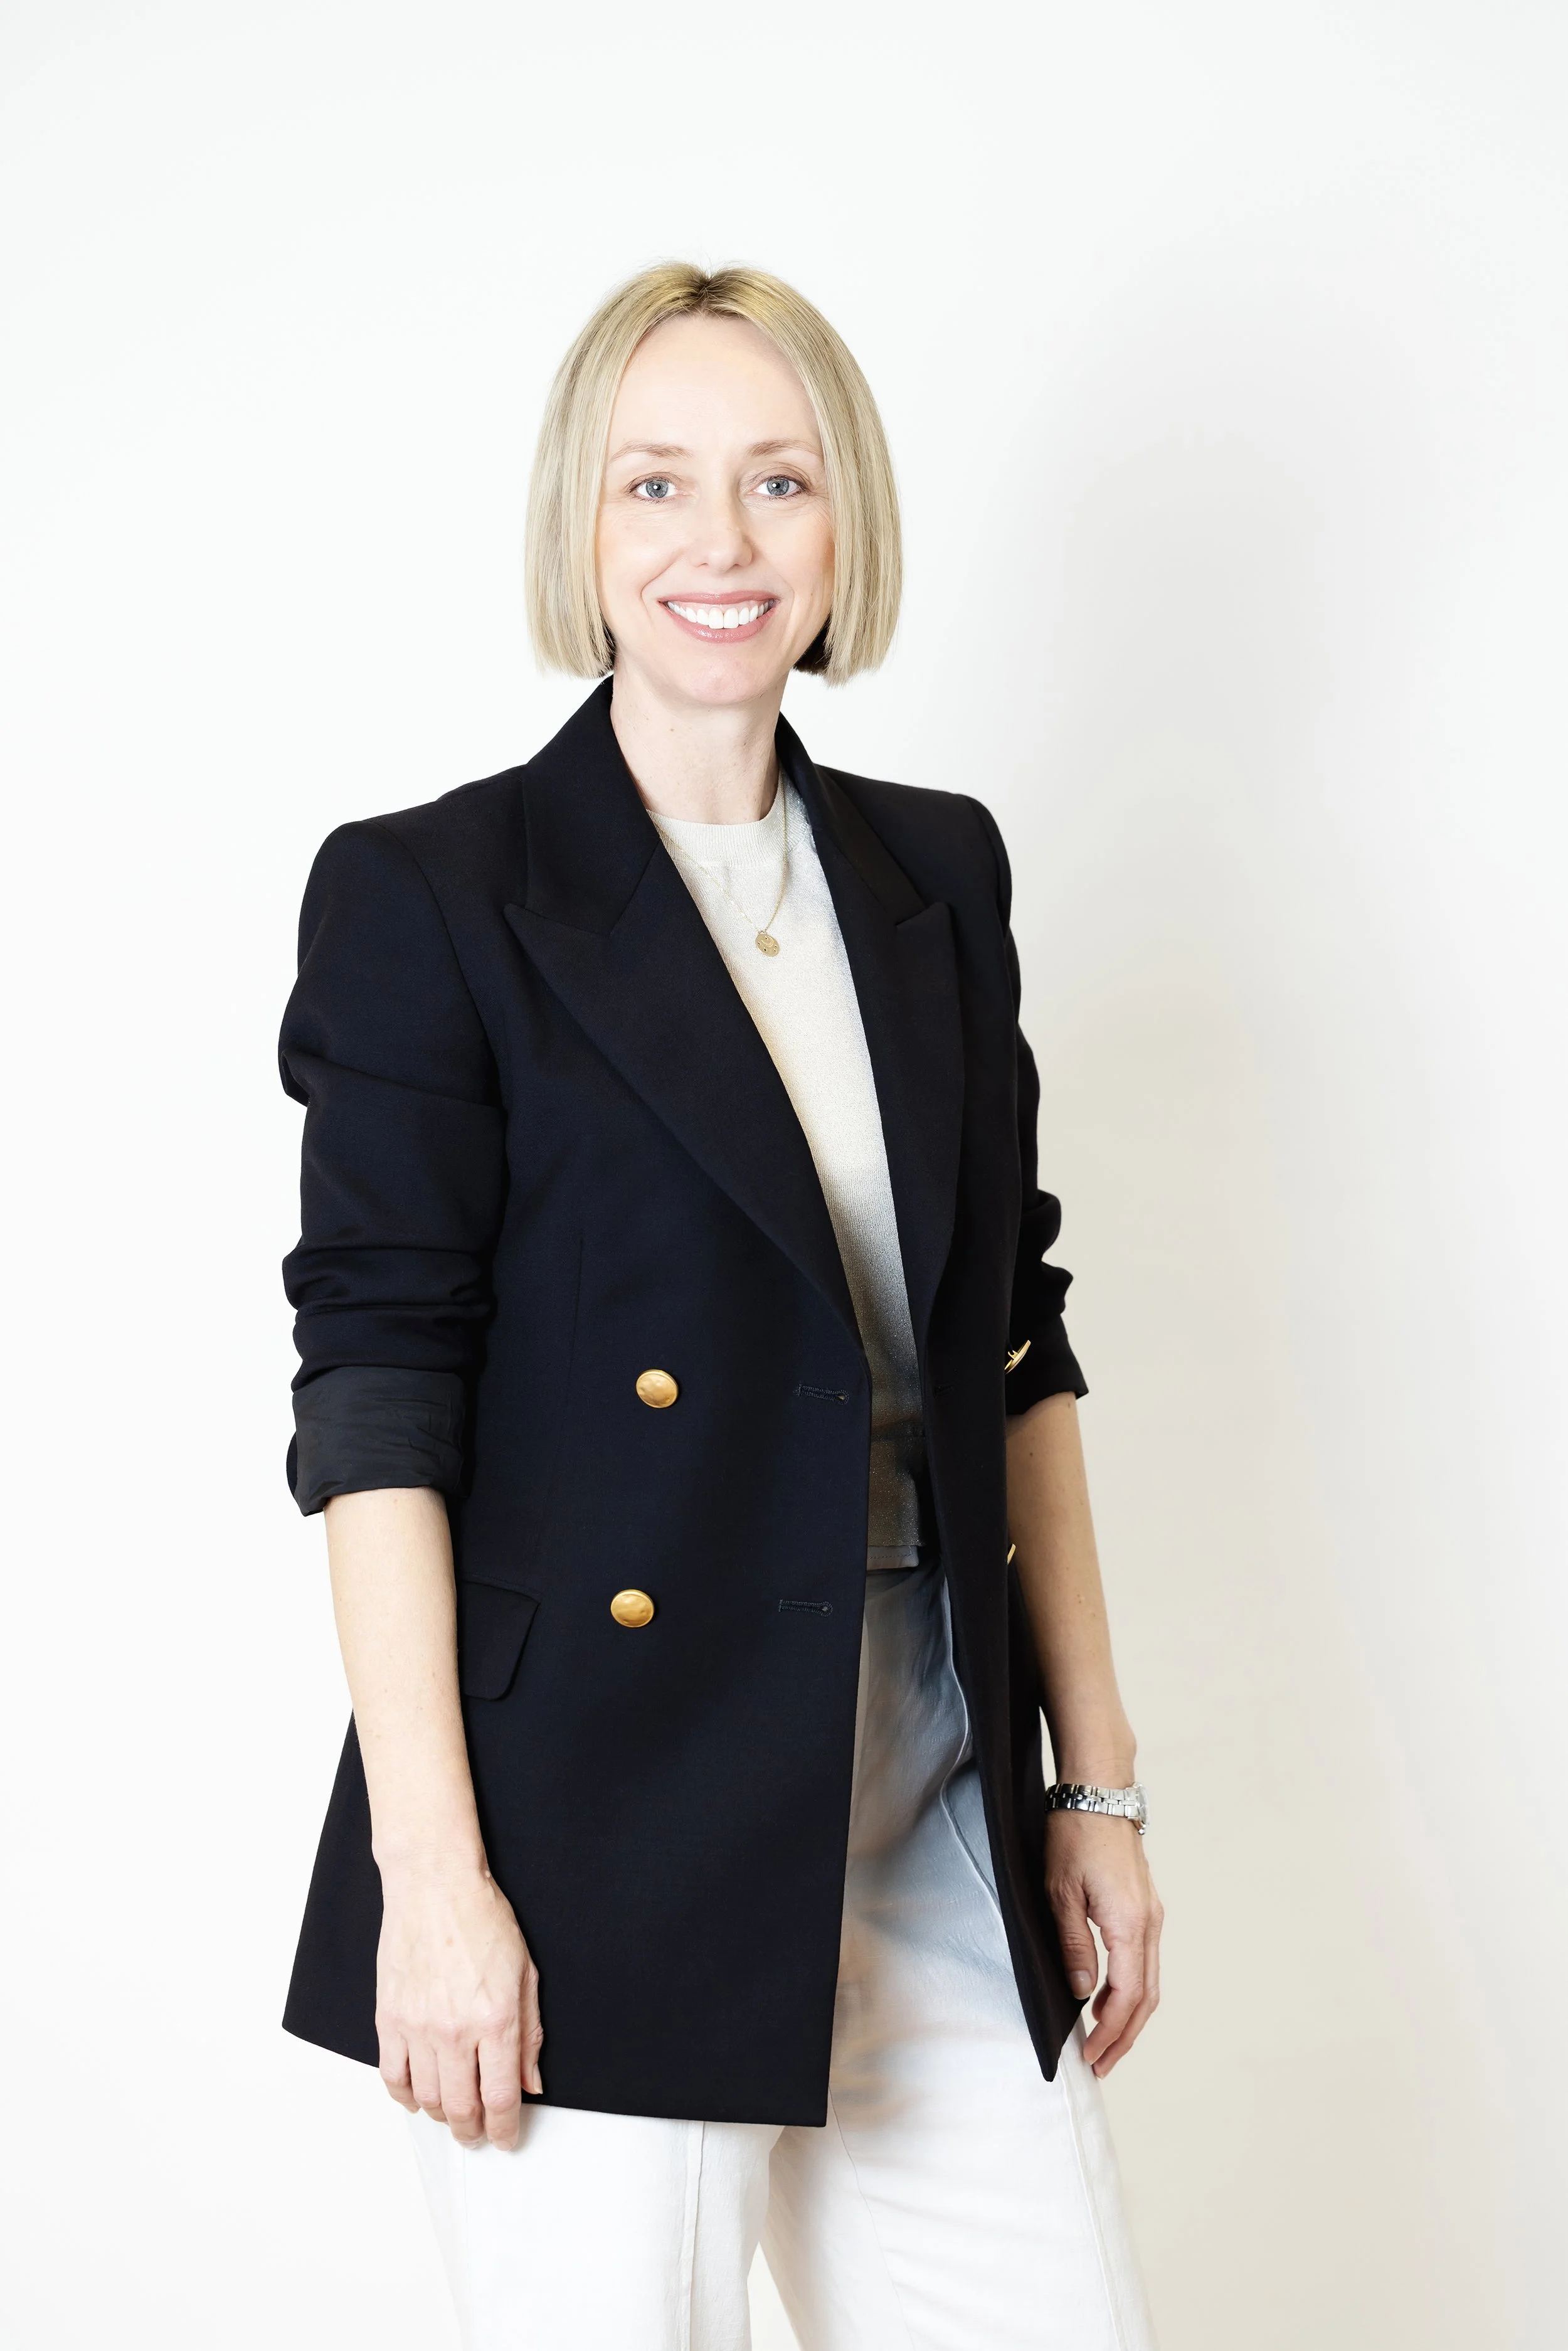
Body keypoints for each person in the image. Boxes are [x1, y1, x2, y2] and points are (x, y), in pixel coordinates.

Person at [279, 262, 1163, 2350]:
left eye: (777, 481)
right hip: (594, 1822)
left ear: (842, 520)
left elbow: (1013, 1340)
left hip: (929, 1799)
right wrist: (435, 1879)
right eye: (654, 484)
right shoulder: (434, 896)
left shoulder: (934, 877)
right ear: (578, 539)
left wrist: (1093, 1784)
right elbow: (377, 1396)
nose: (720, 542)